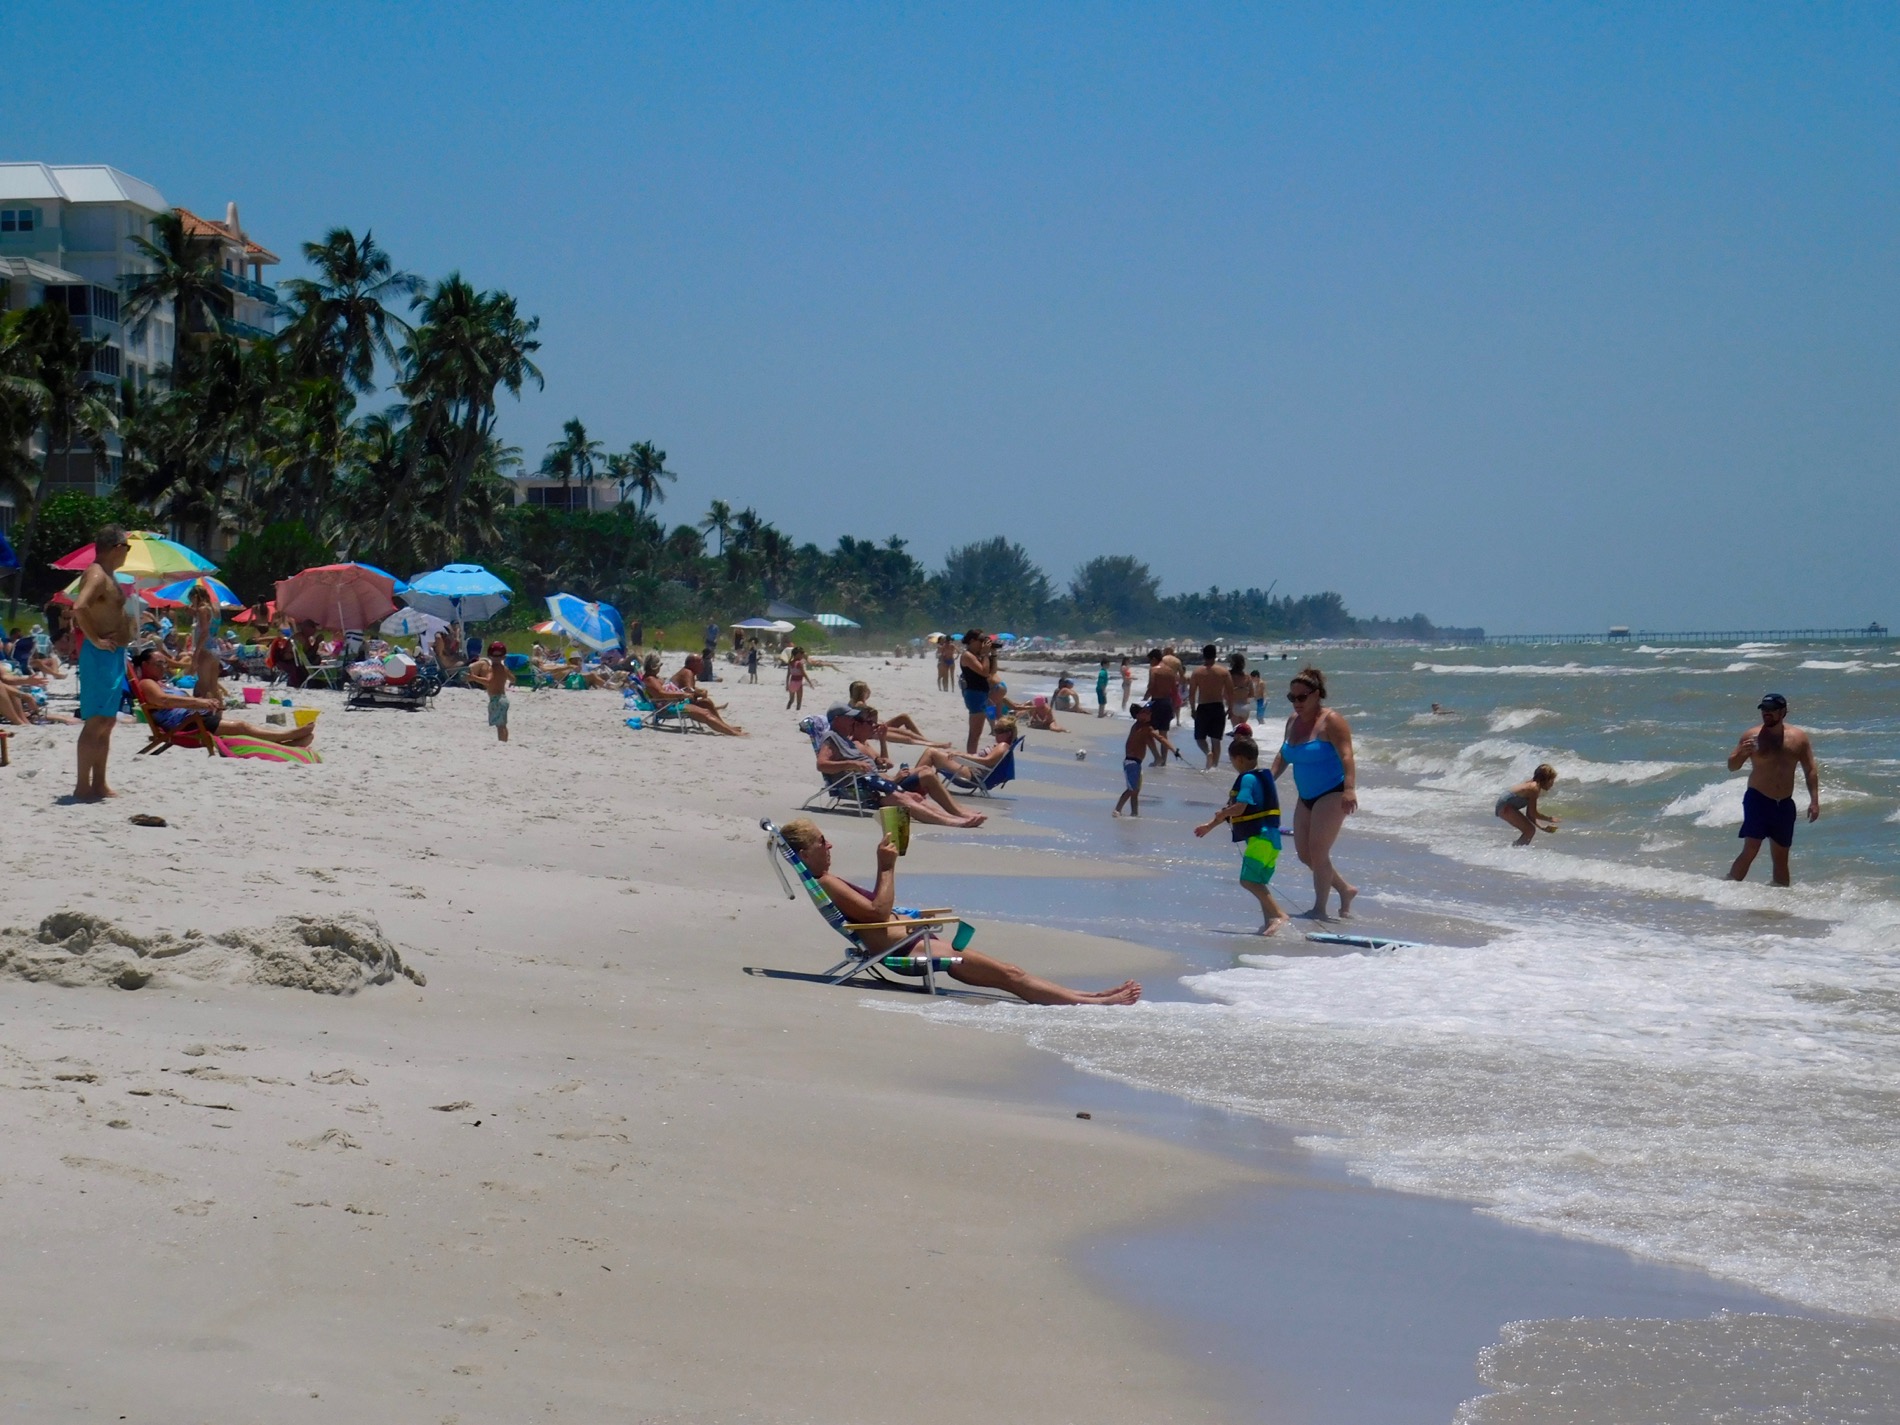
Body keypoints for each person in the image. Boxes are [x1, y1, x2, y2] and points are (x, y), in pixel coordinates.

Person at [779, 819, 1139, 1005]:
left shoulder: (826, 878)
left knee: (1008, 975)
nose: (829, 845)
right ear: (806, 851)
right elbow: (877, 911)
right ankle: (1090, 1002)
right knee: (1010, 974)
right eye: (821, 842)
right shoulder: (826, 880)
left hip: (915, 940)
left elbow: (876, 914)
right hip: (910, 949)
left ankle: (1088, 998)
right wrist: (886, 865)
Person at [1269, 666, 1359, 920]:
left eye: (1301, 697)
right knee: (1305, 854)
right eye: (1291, 698)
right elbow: (1283, 754)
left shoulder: (1332, 721)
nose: (1296, 703)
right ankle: (1345, 889)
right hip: (1305, 796)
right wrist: (1266, 779)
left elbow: (1347, 756)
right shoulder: (1292, 721)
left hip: (1333, 792)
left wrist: (1350, 789)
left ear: (1316, 694)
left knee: (1319, 852)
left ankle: (1320, 909)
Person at [810, 716, 987, 827]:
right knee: (909, 792)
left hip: (876, 782)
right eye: (869, 722)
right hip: (866, 785)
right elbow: (822, 765)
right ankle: (953, 820)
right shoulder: (839, 740)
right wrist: (853, 764)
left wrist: (882, 743)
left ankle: (954, 817)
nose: (874, 726)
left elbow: (880, 765)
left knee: (914, 796)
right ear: (842, 720)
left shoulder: (852, 744)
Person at [1194, 734, 1290, 935]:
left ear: (1239, 759)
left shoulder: (1247, 779)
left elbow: (1239, 808)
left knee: (1248, 881)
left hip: (1260, 839)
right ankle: (1269, 924)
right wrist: (1209, 826)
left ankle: (1279, 915)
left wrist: (1223, 813)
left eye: (1231, 761)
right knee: (1260, 883)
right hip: (1272, 840)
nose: (1233, 765)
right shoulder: (1264, 777)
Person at [130, 647, 316, 747]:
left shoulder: (160, 683)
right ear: (145, 665)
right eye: (158, 663)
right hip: (188, 724)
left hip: (193, 719)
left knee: (240, 726)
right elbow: (164, 701)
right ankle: (286, 736)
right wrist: (198, 702)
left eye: (165, 663)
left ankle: (287, 742)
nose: (163, 667)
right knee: (242, 727)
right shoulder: (147, 683)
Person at [1727, 693, 1820, 886]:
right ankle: (1727, 888)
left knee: (1781, 856)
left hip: (1784, 803)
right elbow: (1732, 766)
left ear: (1783, 712)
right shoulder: (1751, 736)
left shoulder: (1798, 738)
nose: (1766, 714)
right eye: (1764, 710)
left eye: (1771, 710)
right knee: (1752, 847)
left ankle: (1780, 905)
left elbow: (1810, 768)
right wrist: (1742, 753)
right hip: (1758, 799)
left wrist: (1814, 801)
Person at [70, 525, 133, 801]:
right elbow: (79, 607)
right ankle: (83, 786)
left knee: (107, 721)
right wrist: (95, 640)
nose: (128, 553)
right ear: (117, 547)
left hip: (112, 654)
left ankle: (99, 784)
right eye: (127, 547)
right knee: (96, 721)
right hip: (99, 654)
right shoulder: (96, 574)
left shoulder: (109, 575)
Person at [641, 654, 745, 735]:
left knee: (706, 707)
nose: (660, 668)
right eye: (659, 665)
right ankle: (732, 733)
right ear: (654, 666)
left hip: (673, 704)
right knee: (706, 713)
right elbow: (661, 693)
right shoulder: (650, 679)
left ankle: (727, 728)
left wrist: (683, 694)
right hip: (669, 708)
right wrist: (682, 695)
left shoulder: (653, 678)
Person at [1114, 702, 1176, 817]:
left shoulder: (1142, 727)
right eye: (1145, 712)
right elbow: (1160, 738)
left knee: (1135, 791)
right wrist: (1173, 750)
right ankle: (1117, 809)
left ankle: (1134, 813)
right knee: (1132, 789)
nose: (1149, 714)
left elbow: (1152, 740)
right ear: (1137, 716)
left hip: (1136, 763)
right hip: (1131, 762)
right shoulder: (1142, 727)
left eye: (1149, 712)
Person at [845, 681, 948, 748]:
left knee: (904, 725)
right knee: (907, 737)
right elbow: (870, 714)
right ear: (863, 692)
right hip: (870, 732)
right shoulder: (859, 704)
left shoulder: (854, 702)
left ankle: (929, 742)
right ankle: (931, 744)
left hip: (872, 728)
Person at [1188, 644, 1231, 770]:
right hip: (1218, 706)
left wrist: (1192, 709)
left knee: (1200, 737)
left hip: (1203, 707)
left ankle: (1208, 753)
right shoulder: (1223, 672)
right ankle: (1214, 767)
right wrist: (1231, 707)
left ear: (1203, 655)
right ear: (1215, 655)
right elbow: (1230, 691)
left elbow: (1192, 693)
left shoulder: (1197, 672)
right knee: (1216, 740)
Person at [1496, 764, 1560, 846]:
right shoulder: (1534, 788)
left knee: (1530, 830)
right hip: (1505, 807)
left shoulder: (1533, 785)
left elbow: (1530, 814)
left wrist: (1542, 827)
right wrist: (1549, 818)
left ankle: (1514, 849)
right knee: (1529, 830)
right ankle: (1514, 851)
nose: (1552, 784)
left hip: (1504, 806)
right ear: (1546, 779)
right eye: (1552, 780)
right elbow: (1533, 813)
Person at [185, 583, 224, 705]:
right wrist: (194, 610)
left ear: (196, 597)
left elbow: (204, 632)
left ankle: (207, 716)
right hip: (215, 650)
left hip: (205, 649)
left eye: (191, 599)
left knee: (204, 687)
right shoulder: (215, 609)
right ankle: (219, 712)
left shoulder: (202, 610)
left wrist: (196, 653)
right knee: (213, 687)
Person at [958, 630, 993, 754]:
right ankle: (970, 757)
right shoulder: (967, 656)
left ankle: (971, 756)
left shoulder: (977, 656)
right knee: (975, 733)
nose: (983, 644)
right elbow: (983, 672)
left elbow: (990, 672)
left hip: (981, 694)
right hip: (975, 695)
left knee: (978, 731)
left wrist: (991, 655)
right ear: (972, 641)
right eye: (981, 640)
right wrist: (985, 655)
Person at [1142, 650, 1179, 764]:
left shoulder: (1154, 670)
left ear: (1154, 659)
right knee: (1163, 734)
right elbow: (1174, 690)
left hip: (1156, 703)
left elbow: (1151, 686)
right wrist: (1174, 706)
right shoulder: (1170, 671)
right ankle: (1163, 760)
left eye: (1150, 661)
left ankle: (1157, 757)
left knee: (1146, 731)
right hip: (1167, 703)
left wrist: (1145, 699)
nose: (1149, 663)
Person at [476, 640, 512, 742]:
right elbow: (513, 679)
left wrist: (473, 677)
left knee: (500, 726)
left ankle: (502, 742)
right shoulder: (504, 668)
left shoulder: (491, 668)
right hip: (504, 698)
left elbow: (488, 681)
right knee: (503, 725)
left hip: (496, 699)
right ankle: (505, 741)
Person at [785, 645, 810, 711]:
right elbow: (804, 674)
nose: (802, 655)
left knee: (791, 700)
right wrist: (810, 682)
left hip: (792, 682)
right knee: (799, 701)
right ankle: (797, 710)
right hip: (798, 683)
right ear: (798, 654)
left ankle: (787, 709)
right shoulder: (799, 663)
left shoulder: (790, 663)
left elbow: (788, 675)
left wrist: (787, 685)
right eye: (801, 653)